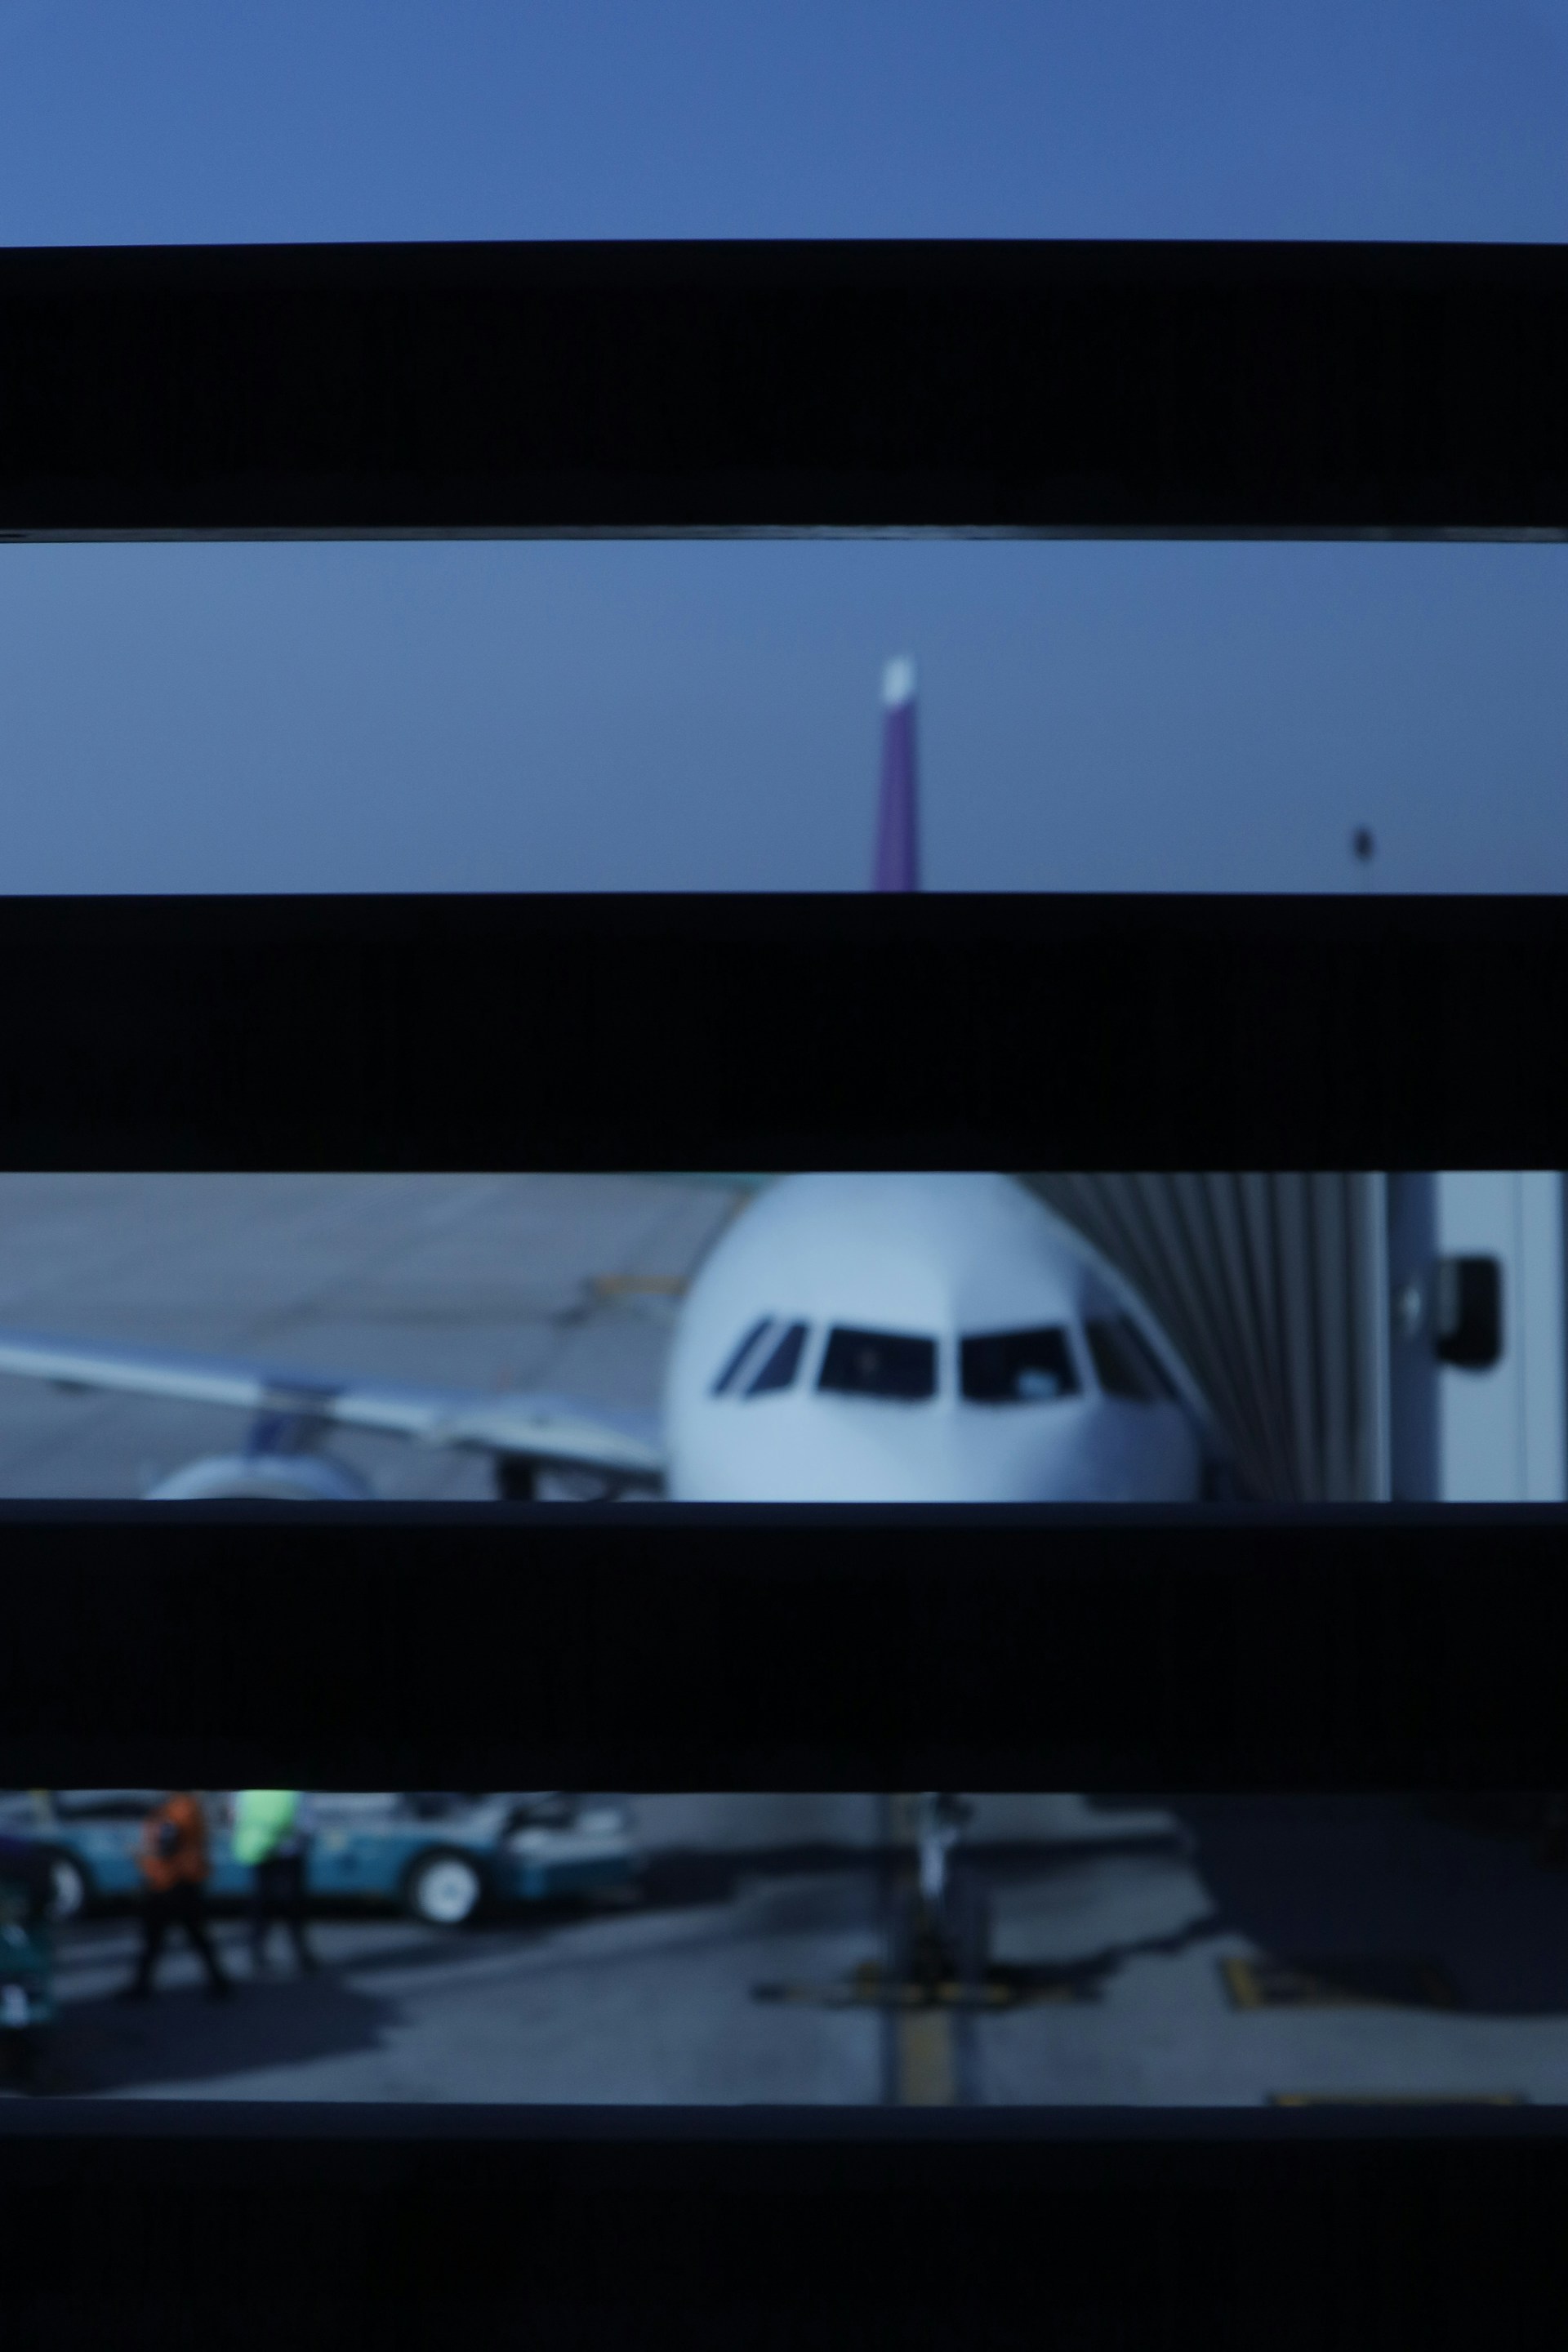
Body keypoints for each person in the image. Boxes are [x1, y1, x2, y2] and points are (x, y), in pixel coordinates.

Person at [119, 1791, 233, 2001]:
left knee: (158, 1939)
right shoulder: (187, 1806)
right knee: (191, 1936)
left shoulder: (177, 1810)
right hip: (181, 1880)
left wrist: (140, 1854)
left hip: (171, 1882)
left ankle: (141, 1987)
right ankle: (219, 1983)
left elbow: (166, 1846)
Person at [232, 1790, 318, 1976]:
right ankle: (301, 1954)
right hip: (290, 1850)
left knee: (261, 1902)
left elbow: (236, 1816)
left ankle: (257, 1953)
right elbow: (307, 1823)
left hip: (259, 1848)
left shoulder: (248, 1792)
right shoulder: (295, 1792)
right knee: (293, 1905)